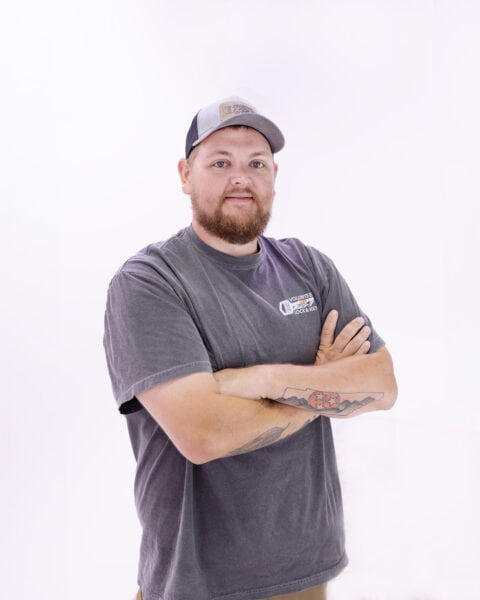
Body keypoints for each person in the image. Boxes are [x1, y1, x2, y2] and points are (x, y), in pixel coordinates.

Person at [103, 96, 397, 600]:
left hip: (306, 571)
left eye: (255, 163)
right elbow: (204, 434)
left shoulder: (309, 267)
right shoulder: (150, 283)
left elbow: (382, 386)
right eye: (220, 162)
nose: (241, 177)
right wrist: (318, 381)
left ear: (273, 176)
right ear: (185, 173)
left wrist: (257, 380)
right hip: (195, 582)